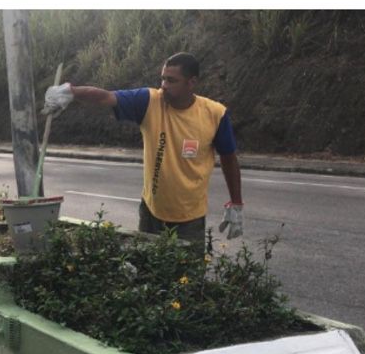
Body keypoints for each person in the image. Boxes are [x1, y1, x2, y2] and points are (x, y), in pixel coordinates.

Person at [43, 53, 243, 250]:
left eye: (172, 80)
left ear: (191, 82)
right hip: (151, 214)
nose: (164, 85)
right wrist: (71, 91)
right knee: (149, 275)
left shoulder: (215, 114)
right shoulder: (150, 101)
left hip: (190, 219)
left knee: (187, 279)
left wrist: (236, 202)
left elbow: (228, 157)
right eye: (163, 78)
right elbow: (106, 97)